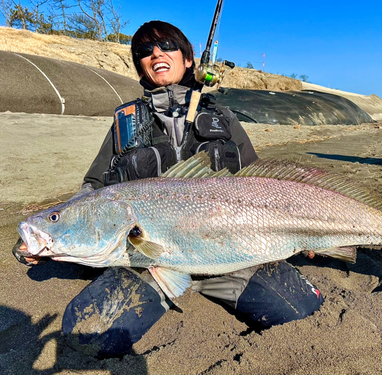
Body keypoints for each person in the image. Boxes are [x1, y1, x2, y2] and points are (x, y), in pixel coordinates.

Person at [13, 20, 324, 357]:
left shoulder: (225, 117)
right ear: (140, 66)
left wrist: (304, 228)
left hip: (231, 254)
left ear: (188, 58)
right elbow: (92, 192)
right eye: (145, 51)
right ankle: (166, 289)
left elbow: (259, 184)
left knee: (299, 309)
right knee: (91, 333)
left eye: (166, 46)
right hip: (149, 262)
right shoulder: (124, 123)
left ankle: (215, 281)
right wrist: (45, 232)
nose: (156, 54)